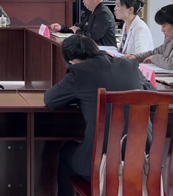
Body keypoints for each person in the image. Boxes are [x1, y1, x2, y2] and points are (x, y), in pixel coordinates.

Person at [44, 35, 153, 196]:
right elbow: (153, 97)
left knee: (67, 150)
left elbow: (50, 100)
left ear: (72, 61)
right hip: (144, 165)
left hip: (102, 167)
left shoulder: (78, 72)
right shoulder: (130, 65)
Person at [125, 3, 173, 72]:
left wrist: (154, 58)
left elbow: (172, 64)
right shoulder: (171, 39)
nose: (162, 30)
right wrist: (135, 57)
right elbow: (156, 52)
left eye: (164, 26)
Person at [50, 0, 116, 46]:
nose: (83, 1)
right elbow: (79, 27)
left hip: (104, 50)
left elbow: (93, 36)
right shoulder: (92, 12)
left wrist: (77, 31)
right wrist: (61, 28)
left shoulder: (103, 14)